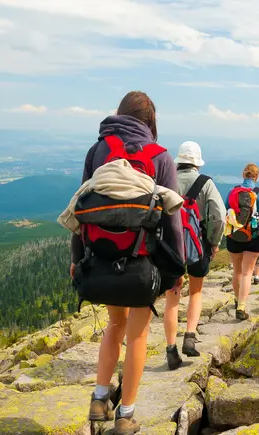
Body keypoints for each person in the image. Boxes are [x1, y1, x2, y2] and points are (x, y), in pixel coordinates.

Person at [69, 91, 183, 435]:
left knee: (113, 325)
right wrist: (176, 270)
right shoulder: (160, 157)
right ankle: (126, 416)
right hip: (140, 263)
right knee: (137, 334)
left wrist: (77, 259)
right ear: (151, 123)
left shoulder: (99, 150)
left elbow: (81, 205)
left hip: (101, 257)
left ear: (120, 115)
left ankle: (99, 398)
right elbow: (172, 220)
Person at [163, 141, 226, 370]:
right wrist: (213, 242)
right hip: (198, 245)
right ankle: (189, 336)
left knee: (172, 297)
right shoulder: (205, 183)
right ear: (197, 163)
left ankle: (171, 349)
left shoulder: (166, 180)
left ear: (179, 161)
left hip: (171, 248)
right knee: (196, 291)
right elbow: (218, 215)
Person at [224, 163, 259, 320]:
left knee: (237, 271)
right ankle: (242, 307)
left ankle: (237, 301)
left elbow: (226, 211)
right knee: (247, 272)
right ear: (256, 177)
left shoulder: (232, 191)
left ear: (243, 174)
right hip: (254, 237)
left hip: (234, 236)